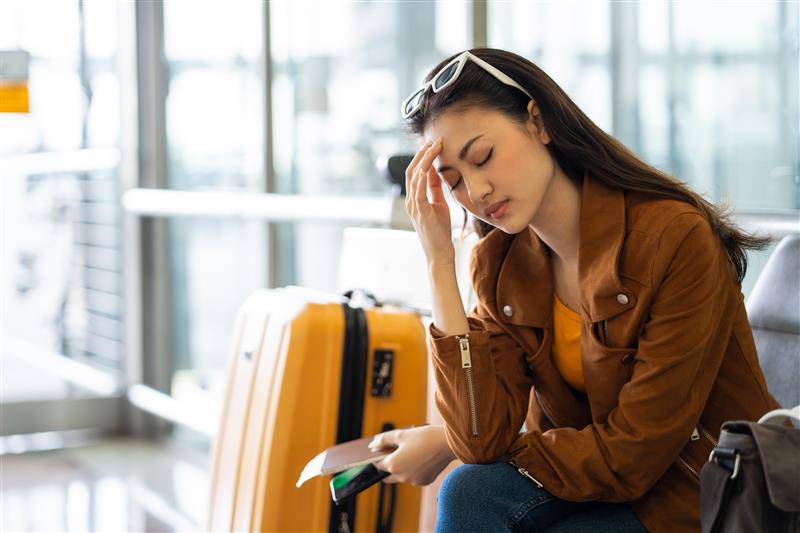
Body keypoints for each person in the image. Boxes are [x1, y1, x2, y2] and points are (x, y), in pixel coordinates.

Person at [367, 48, 781, 532]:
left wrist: (450, 444)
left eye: (483, 157)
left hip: (703, 493)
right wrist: (439, 262)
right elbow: (479, 439)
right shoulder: (501, 261)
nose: (476, 191)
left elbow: (636, 453)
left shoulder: (673, 238)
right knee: (469, 488)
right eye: (453, 180)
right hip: (591, 485)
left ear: (538, 122)